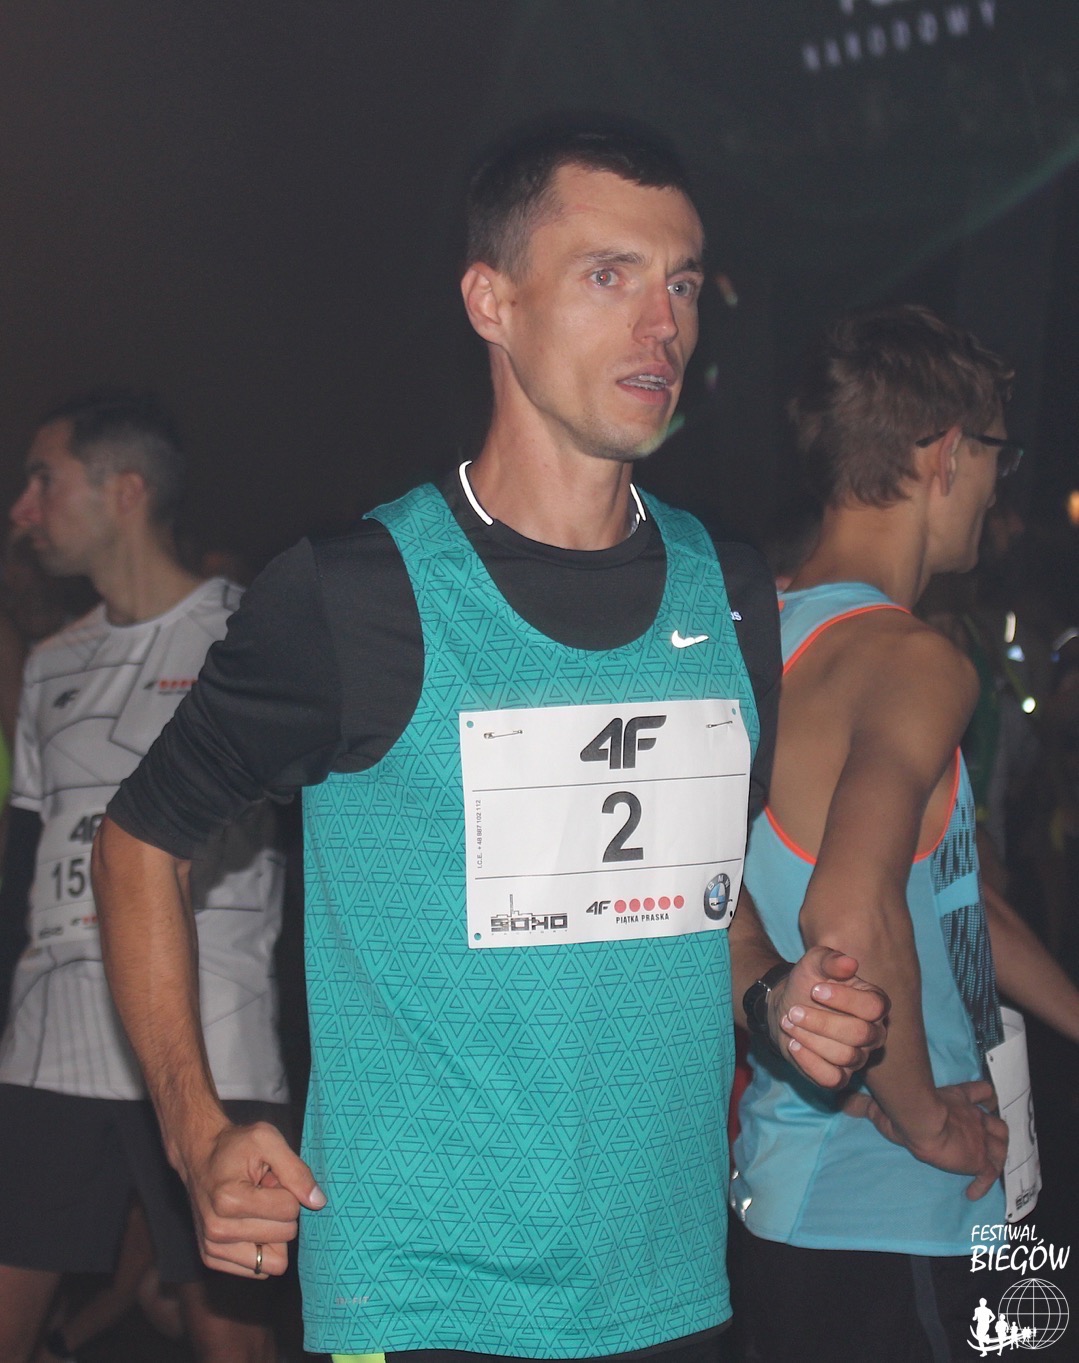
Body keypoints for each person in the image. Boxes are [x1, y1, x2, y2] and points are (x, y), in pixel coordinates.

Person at [92, 122, 886, 1361]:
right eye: (608, 275)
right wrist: (195, 1137)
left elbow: (702, 895)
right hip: (423, 1300)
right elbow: (137, 840)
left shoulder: (728, 588)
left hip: (672, 1288)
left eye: (681, 283)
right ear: (490, 302)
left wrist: (777, 999)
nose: (661, 326)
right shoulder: (353, 593)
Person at [730, 305, 1079, 1362]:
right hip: (899, 1213)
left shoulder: (766, 634)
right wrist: (927, 1120)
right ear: (943, 454)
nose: (997, 485)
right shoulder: (911, 658)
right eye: (996, 454)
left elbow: (942, 893)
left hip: (796, 1205)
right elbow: (848, 910)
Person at [0, 391, 288, 1363]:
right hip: (48, 1048)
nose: (22, 510)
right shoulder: (49, 664)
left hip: (214, 1048)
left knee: (228, 1341)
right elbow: (29, 861)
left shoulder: (252, 634)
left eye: (42, 480)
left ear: (124, 491)